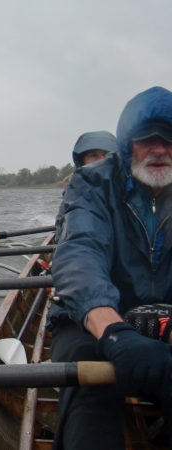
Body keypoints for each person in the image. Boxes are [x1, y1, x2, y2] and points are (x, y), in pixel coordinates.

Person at [48, 86, 172, 449]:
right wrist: (113, 330)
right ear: (128, 143)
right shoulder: (92, 183)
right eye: (148, 137)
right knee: (91, 395)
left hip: (163, 318)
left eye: (170, 137)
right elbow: (79, 255)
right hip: (90, 320)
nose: (161, 148)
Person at [54, 131, 118, 241]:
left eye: (108, 155)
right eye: (94, 156)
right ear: (82, 162)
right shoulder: (74, 192)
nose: (103, 161)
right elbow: (64, 232)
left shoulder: (133, 190)